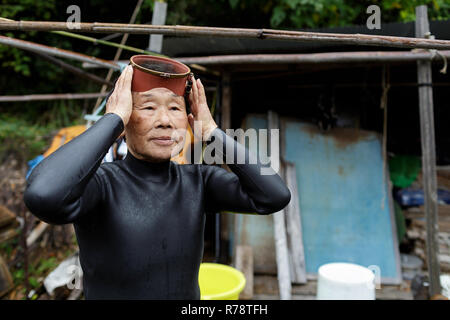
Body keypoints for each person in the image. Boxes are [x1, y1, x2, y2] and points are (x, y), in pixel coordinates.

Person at [23, 65, 291, 299]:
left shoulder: (198, 181)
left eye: (175, 107)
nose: (164, 121)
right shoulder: (102, 185)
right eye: (148, 107)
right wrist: (112, 120)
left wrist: (211, 131)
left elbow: (274, 195)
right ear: (126, 120)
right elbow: (43, 194)